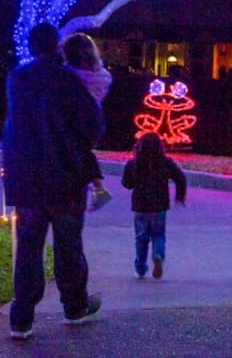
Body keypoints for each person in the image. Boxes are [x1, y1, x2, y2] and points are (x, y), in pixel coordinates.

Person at [2, 23, 104, 340]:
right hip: (65, 179)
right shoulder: (68, 80)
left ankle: (22, 318)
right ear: (56, 47)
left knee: (29, 249)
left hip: (27, 180)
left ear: (31, 47)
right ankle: (74, 306)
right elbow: (93, 127)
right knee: (69, 246)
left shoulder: (17, 80)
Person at [121, 132, 187, 279]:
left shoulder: (134, 164)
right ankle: (158, 255)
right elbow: (180, 177)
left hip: (140, 206)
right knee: (158, 235)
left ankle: (140, 268)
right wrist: (180, 195)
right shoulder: (165, 163)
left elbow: (126, 183)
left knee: (141, 238)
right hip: (159, 206)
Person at [62, 32, 113, 211]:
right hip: (95, 119)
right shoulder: (104, 75)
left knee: (77, 152)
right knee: (85, 151)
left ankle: (98, 189)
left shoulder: (69, 74)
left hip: (75, 118)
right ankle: (99, 189)